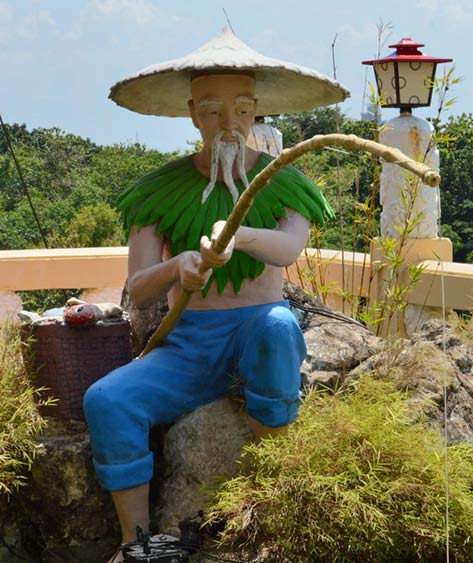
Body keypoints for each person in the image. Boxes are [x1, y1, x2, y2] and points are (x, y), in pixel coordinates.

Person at [83, 28, 348, 557]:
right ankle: (135, 543)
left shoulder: (285, 182)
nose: (229, 124)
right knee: (107, 400)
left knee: (277, 326)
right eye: (212, 111)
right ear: (192, 114)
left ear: (256, 111)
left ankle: (270, 507)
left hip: (257, 331)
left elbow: (290, 247)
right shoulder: (157, 192)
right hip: (188, 345)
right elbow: (137, 289)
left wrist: (240, 235)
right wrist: (178, 266)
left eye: (243, 109)